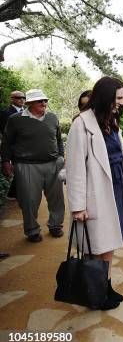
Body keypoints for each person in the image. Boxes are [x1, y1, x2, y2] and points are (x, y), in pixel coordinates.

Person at [66, 76, 123, 310]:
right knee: (98, 245)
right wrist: (78, 206)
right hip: (96, 190)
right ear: (105, 96)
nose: (122, 103)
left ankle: (105, 285)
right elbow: (74, 168)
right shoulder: (81, 124)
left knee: (110, 241)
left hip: (115, 188)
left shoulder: (111, 121)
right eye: (118, 98)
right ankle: (96, 291)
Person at [0, 89, 65, 242]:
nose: (44, 103)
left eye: (45, 100)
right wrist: (5, 161)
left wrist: (61, 156)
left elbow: (59, 139)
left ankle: (56, 225)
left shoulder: (52, 117)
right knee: (28, 201)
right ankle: (32, 230)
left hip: (52, 163)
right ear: (29, 103)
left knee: (57, 199)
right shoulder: (15, 119)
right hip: (26, 165)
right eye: (39, 101)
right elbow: (7, 143)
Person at [1, 91, 26, 200]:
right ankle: (13, 194)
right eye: (18, 98)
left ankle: (14, 194)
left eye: (24, 98)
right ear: (12, 99)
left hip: (26, 147)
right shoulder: (4, 113)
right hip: (12, 147)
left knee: (22, 170)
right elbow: (3, 133)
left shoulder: (27, 112)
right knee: (19, 170)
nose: (22, 100)